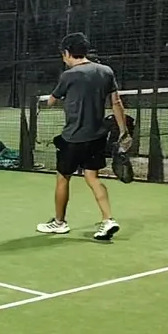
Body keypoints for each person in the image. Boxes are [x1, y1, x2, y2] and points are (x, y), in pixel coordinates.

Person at [37, 33, 130, 240]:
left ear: (67, 53)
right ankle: (108, 220)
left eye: (63, 54)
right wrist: (124, 131)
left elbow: (51, 101)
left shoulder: (68, 76)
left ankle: (59, 223)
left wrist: (52, 100)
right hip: (97, 137)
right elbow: (116, 103)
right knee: (92, 178)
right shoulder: (106, 71)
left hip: (72, 138)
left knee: (63, 178)